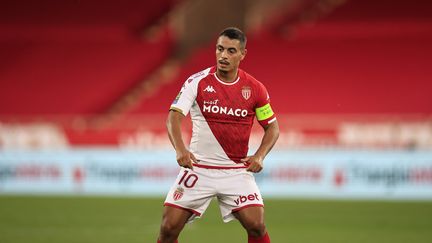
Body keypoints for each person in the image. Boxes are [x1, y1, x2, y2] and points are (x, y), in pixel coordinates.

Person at [157, 27, 279, 243]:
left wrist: (259, 155)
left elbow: (273, 128)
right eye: (220, 49)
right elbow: (173, 117)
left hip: (235, 171)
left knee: (257, 225)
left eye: (231, 51)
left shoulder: (255, 88)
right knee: (168, 228)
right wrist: (180, 149)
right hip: (199, 168)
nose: (223, 55)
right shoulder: (197, 82)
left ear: (243, 54)